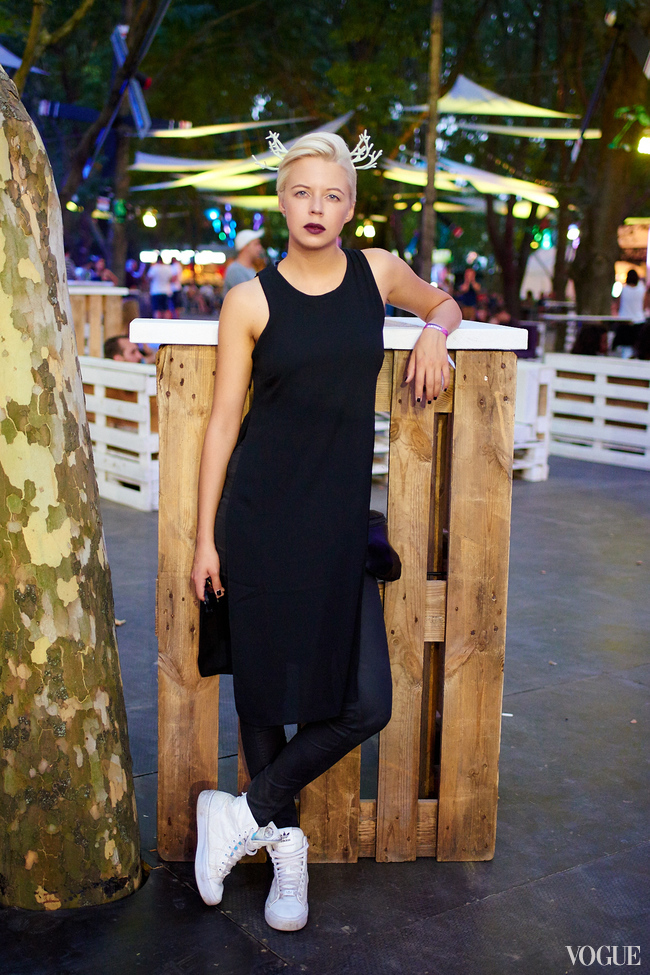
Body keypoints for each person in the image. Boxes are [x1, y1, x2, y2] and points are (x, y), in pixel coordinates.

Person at [189, 131, 461, 931]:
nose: (317, 207)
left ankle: (237, 816)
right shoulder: (250, 300)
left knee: (366, 702)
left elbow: (442, 302)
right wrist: (205, 537)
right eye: (302, 192)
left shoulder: (377, 272)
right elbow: (222, 423)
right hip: (260, 519)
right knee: (264, 691)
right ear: (282, 200)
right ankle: (287, 853)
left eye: (332, 195)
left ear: (350, 207)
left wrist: (436, 331)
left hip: (339, 525)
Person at [613, 269, 648, 357]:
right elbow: (645, 306)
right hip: (639, 321)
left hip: (624, 321)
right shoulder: (642, 290)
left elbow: (617, 305)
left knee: (624, 349)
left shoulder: (623, 290)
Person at [221, 229, 266, 297]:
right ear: (245, 247)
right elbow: (250, 296)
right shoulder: (235, 270)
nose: (260, 247)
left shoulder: (250, 268)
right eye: (256, 244)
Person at [147, 254, 175, 319]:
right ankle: (166, 323)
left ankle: (157, 323)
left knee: (157, 310)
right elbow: (172, 279)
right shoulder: (168, 268)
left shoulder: (154, 268)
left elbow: (148, 278)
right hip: (166, 291)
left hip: (156, 291)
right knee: (166, 310)